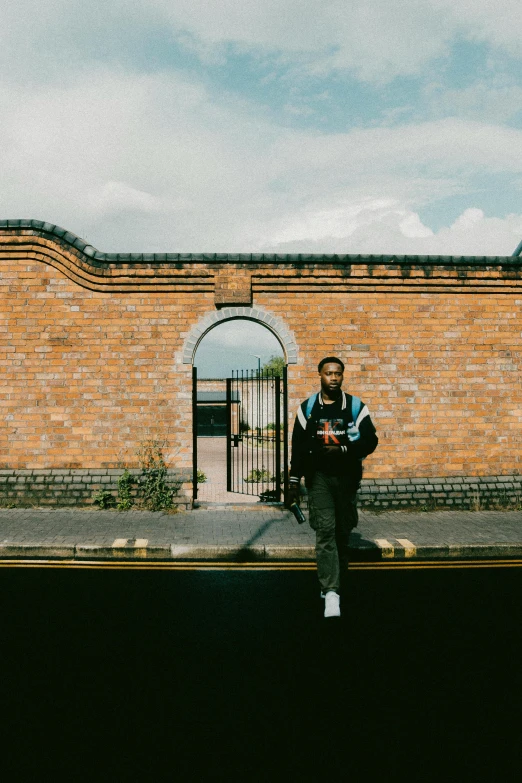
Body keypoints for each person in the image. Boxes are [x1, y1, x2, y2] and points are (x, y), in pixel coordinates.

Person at [287, 357, 378, 618]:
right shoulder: (307, 410)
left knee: (342, 533)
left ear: (343, 376)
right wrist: (293, 482)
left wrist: (344, 450)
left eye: (338, 373)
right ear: (320, 375)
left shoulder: (355, 407)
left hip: (347, 479)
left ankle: (334, 580)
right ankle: (331, 592)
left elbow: (371, 440)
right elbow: (299, 449)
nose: (334, 378)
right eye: (329, 373)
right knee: (325, 530)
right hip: (319, 480)